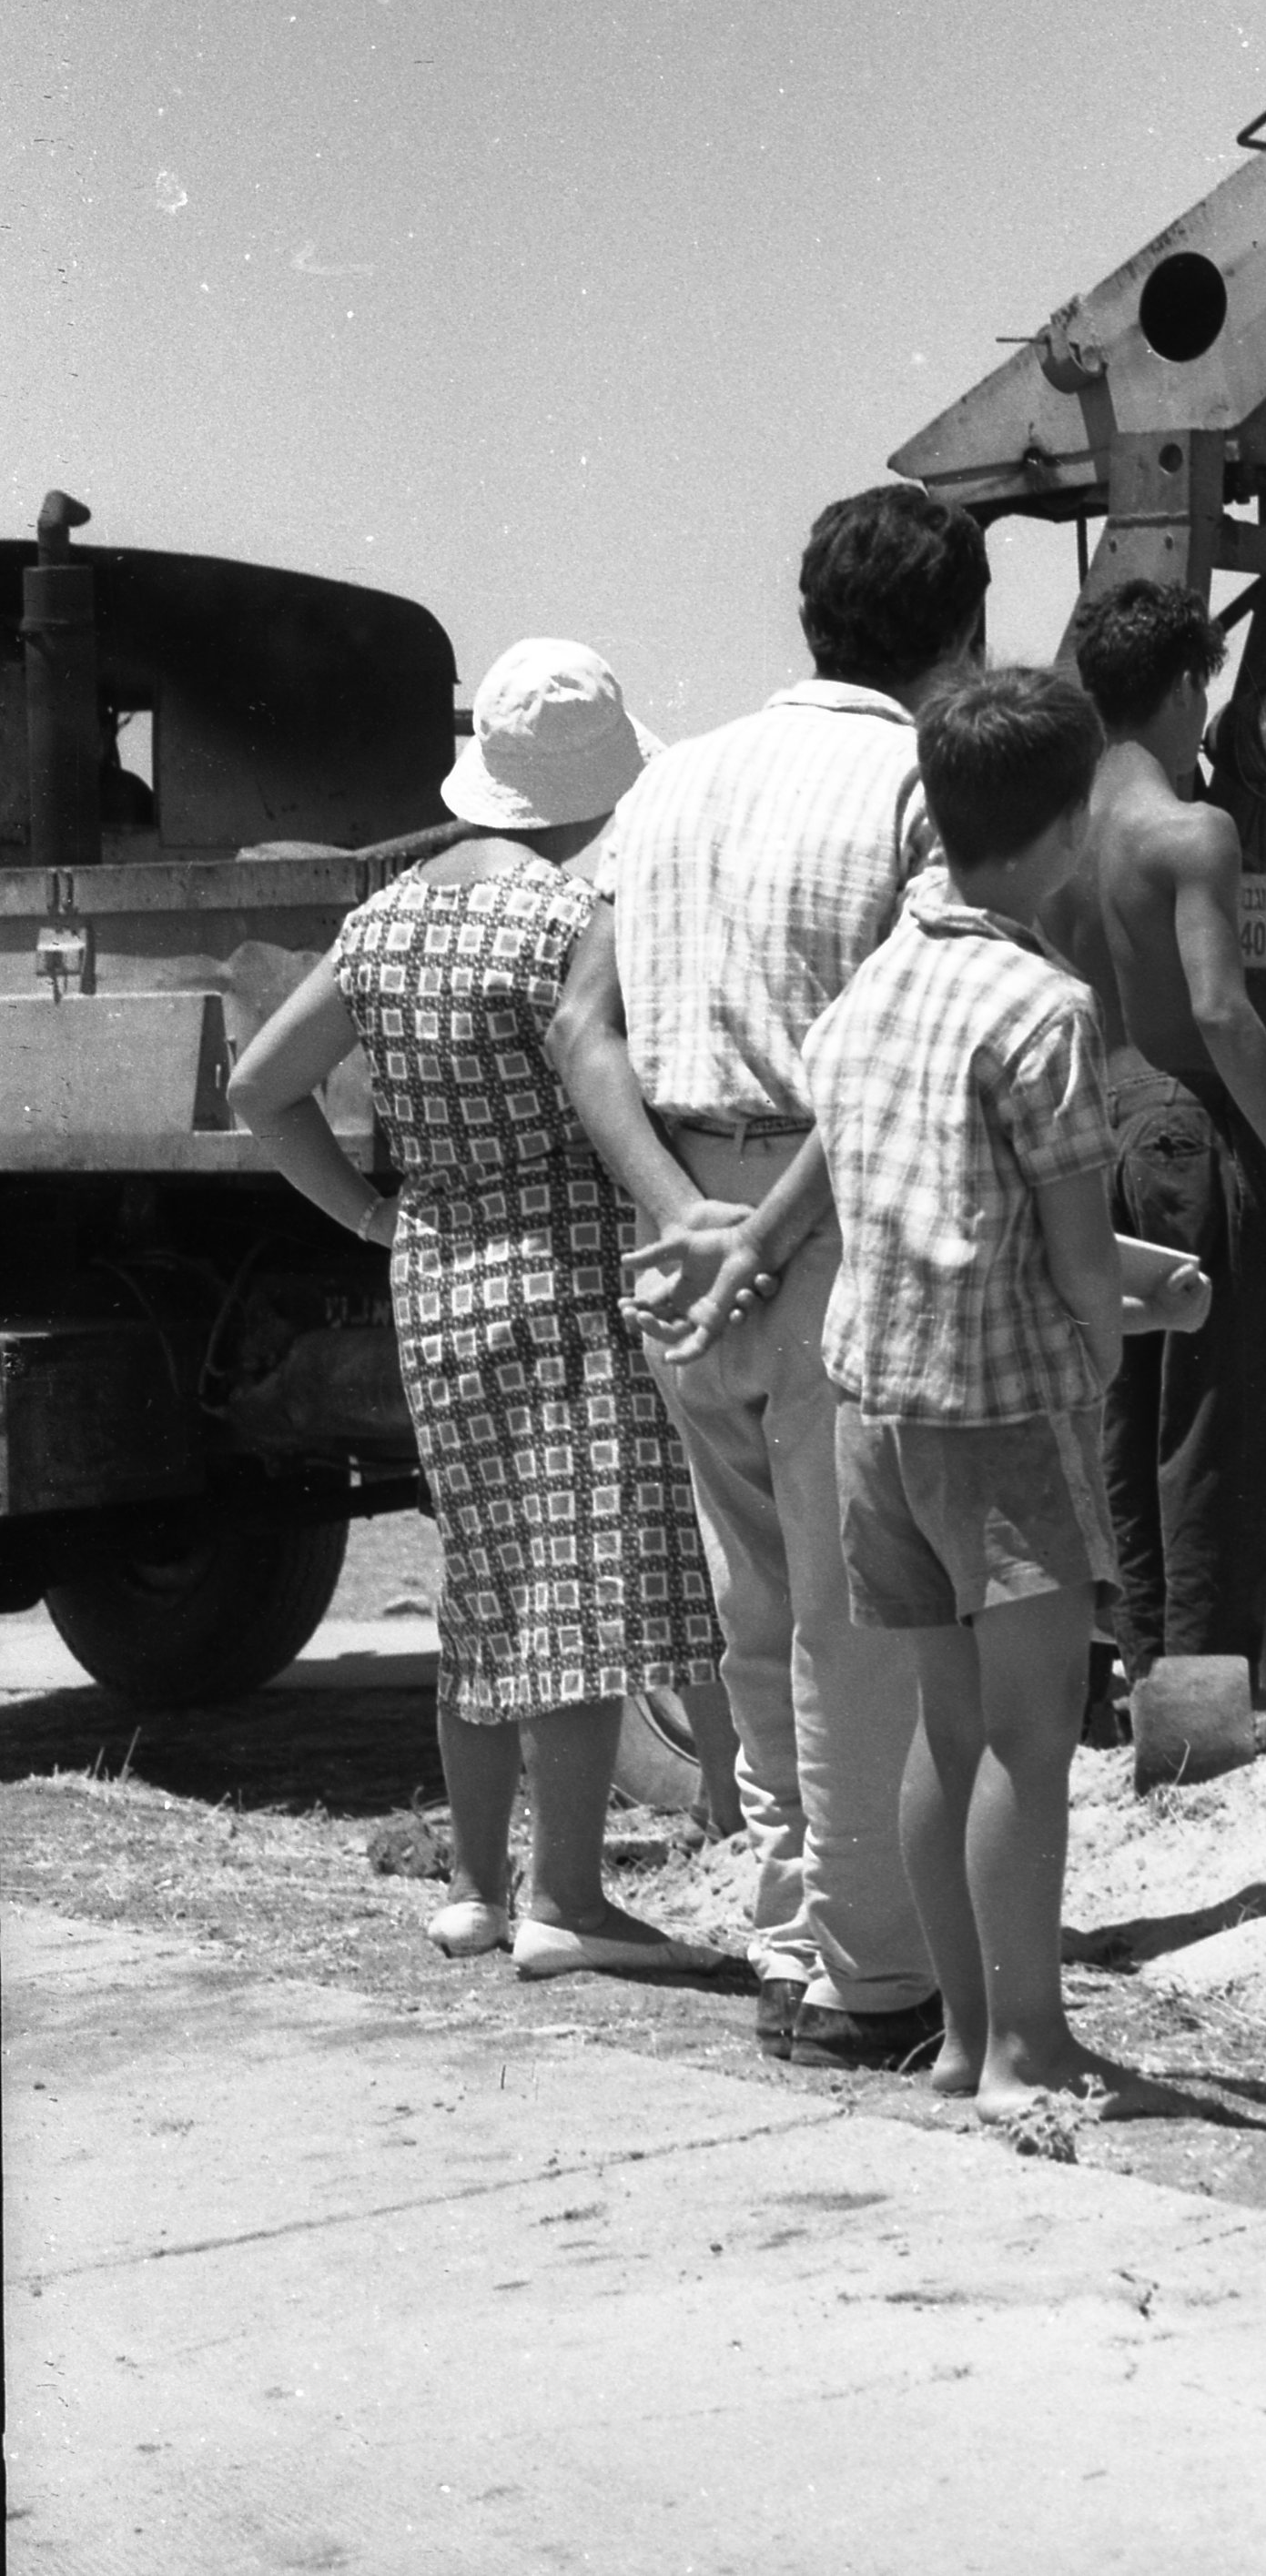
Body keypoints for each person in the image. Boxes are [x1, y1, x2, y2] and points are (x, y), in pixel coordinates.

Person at [550, 482, 987, 2070]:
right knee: (850, 1622)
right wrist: (766, 1230)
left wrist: (683, 1216)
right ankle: (864, 1977)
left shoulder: (664, 793)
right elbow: (889, 1043)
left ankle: (792, 1932)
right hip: (820, 1230)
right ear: (961, 632)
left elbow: (581, 1032)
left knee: (753, 1616)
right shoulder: (915, 784)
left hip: (676, 1236)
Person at [226, 639, 724, 1979]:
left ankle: (473, 1881)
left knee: (486, 1581)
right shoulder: (576, 918)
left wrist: (377, 1212)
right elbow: (614, 1087)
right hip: (567, 1267)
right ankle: (568, 1898)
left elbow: (262, 1089)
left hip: (436, 1276)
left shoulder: (383, 916)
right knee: (580, 1584)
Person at [722, 665, 1136, 2126]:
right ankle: (1032, 2041)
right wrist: (1111, 1338)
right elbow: (1080, 1255)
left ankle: (961, 2035)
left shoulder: (869, 995)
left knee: (943, 1732)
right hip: (1002, 1417)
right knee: (1034, 1738)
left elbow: (904, 1189)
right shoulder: (1045, 1008)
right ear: (1070, 824)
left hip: (875, 1416)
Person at [1051, 580, 1266, 1702]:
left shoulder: (1062, 847)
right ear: (1183, 690)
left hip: (1102, 1127)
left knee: (1134, 1425)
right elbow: (1221, 1012)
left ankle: (1160, 1687)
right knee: (1225, 1428)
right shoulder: (1190, 832)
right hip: (1188, 1126)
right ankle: (1206, 1719)